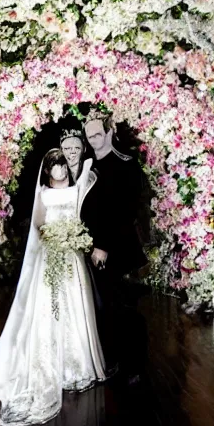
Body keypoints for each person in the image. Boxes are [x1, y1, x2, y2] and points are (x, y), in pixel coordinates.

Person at [0, 149, 106, 426]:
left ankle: (77, 365)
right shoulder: (43, 193)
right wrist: (52, 236)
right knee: (49, 309)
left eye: (61, 164)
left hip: (71, 257)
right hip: (51, 254)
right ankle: (49, 365)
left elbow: (88, 187)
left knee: (75, 307)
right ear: (47, 170)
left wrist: (73, 235)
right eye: (53, 165)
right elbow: (39, 223)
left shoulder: (76, 189)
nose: (58, 169)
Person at [81, 110, 148, 381]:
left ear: (110, 133)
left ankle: (134, 366)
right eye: (90, 135)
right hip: (89, 248)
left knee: (123, 309)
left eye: (99, 134)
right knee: (100, 309)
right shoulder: (86, 166)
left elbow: (126, 211)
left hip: (116, 250)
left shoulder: (126, 164)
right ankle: (111, 360)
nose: (94, 140)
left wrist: (104, 246)